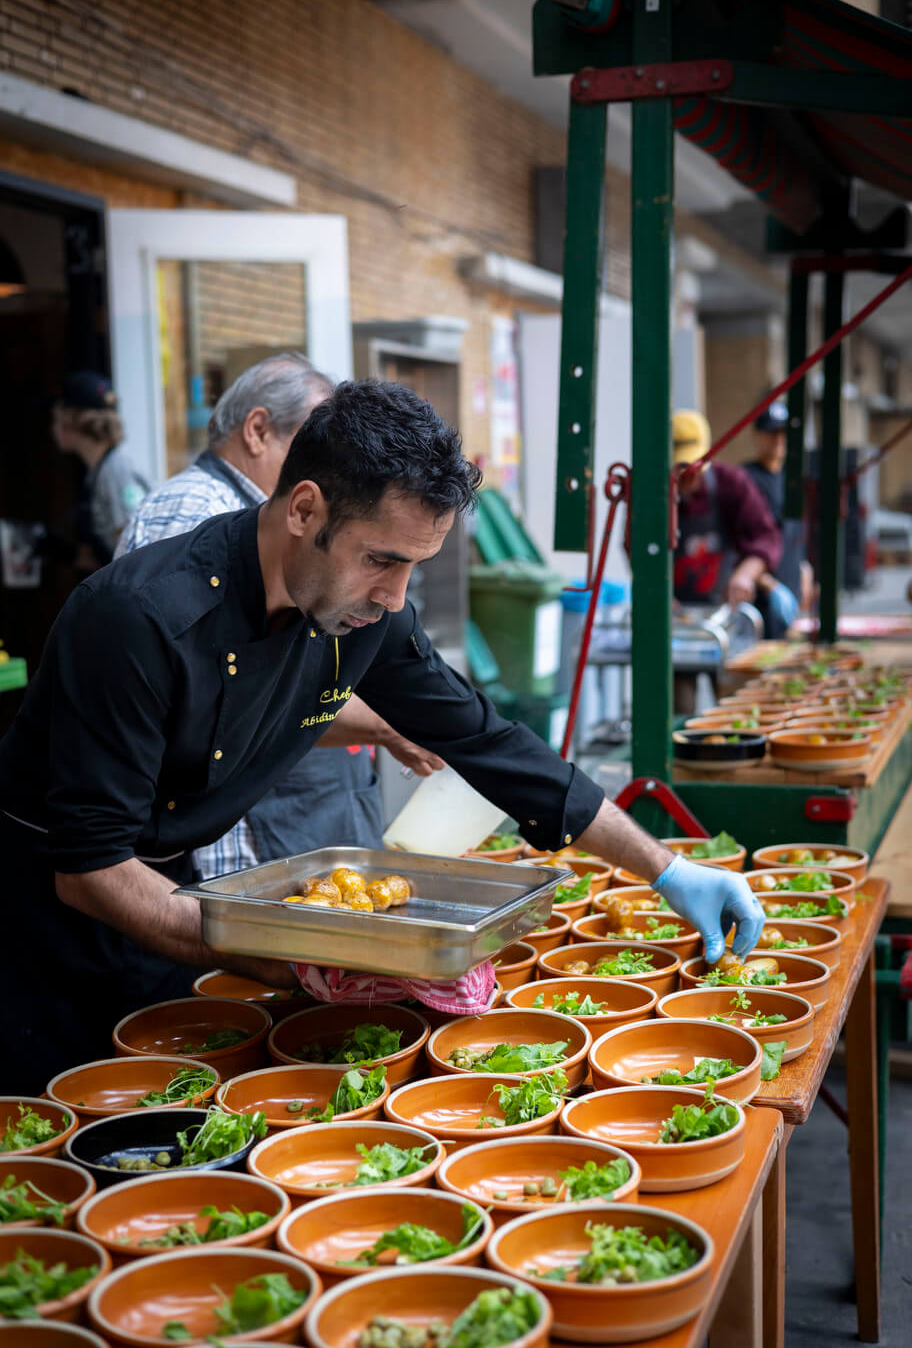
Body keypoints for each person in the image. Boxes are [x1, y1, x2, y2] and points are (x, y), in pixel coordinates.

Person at [0, 381, 764, 1089]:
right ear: (304, 510)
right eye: (381, 561)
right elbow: (90, 869)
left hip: (171, 906)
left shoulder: (367, 615)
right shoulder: (137, 618)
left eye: (414, 568)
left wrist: (666, 869)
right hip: (49, 934)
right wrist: (296, 957)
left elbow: (490, 744)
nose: (395, 598)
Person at [117, 353, 440, 877]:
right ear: (258, 430)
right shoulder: (196, 510)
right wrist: (388, 726)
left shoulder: (294, 531)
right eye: (317, 443)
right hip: (237, 845)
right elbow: (227, 701)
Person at [672, 409, 782, 612]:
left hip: (725, 609)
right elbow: (636, 548)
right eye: (681, 471)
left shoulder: (732, 483)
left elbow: (765, 537)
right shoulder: (653, 496)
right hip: (673, 611)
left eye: (694, 469)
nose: (688, 477)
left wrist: (745, 575)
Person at [51, 372, 150, 568]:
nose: (53, 428)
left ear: (72, 422)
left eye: (56, 419)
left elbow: (133, 549)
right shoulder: (97, 472)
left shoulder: (115, 470)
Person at [742, 401, 813, 638]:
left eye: (783, 433)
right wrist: (766, 583)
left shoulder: (793, 479)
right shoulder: (745, 479)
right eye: (772, 433)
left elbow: (796, 531)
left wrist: (804, 568)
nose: (778, 440)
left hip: (791, 587)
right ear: (757, 436)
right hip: (758, 597)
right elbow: (738, 540)